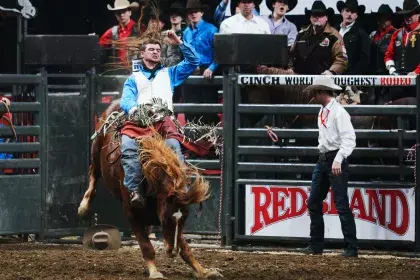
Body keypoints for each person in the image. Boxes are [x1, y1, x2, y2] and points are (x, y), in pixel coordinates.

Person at [119, 31, 200, 207]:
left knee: (173, 145)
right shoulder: (133, 78)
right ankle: (134, 190)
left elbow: (194, 62)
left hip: (164, 121)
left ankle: (182, 186)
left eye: (158, 49)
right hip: (140, 121)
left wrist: (179, 42)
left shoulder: (170, 73)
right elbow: (126, 100)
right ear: (142, 54)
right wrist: (135, 110)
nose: (156, 52)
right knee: (127, 143)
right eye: (151, 49)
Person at [300, 76, 358, 258]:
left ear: (321, 92)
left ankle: (350, 247)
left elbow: (349, 139)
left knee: (341, 204)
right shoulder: (325, 111)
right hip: (326, 158)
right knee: (315, 202)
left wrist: (338, 159)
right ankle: (316, 245)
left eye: (314, 93)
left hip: (334, 158)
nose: (313, 96)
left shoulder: (339, 112)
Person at [182, 0, 220, 125]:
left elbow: (219, 53)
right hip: (191, 70)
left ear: (202, 13)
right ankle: (192, 140)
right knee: (190, 108)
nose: (194, 14)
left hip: (207, 71)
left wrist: (211, 68)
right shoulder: (186, 32)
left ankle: (210, 140)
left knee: (208, 108)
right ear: (188, 15)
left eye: (196, 11)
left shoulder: (211, 29)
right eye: (191, 12)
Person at [384, 0, 420, 101]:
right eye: (406, 15)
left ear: (418, 15)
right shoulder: (397, 34)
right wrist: (392, 69)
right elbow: (388, 55)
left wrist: (416, 72)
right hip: (398, 82)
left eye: (411, 14)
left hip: (417, 83)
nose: (408, 17)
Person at [99, 0, 146, 69]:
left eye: (124, 11)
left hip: (136, 69)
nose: (121, 15)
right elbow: (99, 46)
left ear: (130, 12)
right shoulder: (112, 31)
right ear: (115, 15)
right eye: (118, 13)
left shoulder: (141, 29)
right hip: (118, 70)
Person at [369, 4, 396, 104]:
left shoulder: (396, 34)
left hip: (387, 77)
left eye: (386, 18)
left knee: (385, 105)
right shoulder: (373, 35)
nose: (383, 20)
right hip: (373, 77)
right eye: (381, 17)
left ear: (390, 19)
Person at [336, 0, 370, 75]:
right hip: (333, 74)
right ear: (341, 12)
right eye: (347, 11)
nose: (349, 14)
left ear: (356, 15)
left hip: (351, 76)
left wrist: (353, 77)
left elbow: (364, 59)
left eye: (353, 12)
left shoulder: (361, 34)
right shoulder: (335, 30)